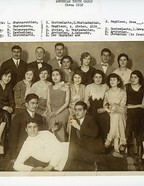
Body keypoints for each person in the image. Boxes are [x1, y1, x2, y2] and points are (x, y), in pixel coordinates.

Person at [64, 101, 127, 171]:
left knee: (96, 160)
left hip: (93, 147)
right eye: (75, 110)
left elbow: (94, 133)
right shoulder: (74, 119)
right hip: (82, 147)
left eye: (79, 110)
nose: (77, 112)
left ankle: (122, 163)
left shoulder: (90, 119)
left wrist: (78, 127)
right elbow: (73, 137)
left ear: (85, 111)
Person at [9, 93, 46, 160]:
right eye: (32, 103)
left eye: (36, 103)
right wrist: (13, 157)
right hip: (22, 150)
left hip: (36, 150)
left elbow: (41, 134)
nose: (35, 105)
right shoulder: (18, 117)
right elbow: (13, 138)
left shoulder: (39, 117)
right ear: (26, 104)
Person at [103, 73, 127, 156]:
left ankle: (109, 138)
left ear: (118, 81)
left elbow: (122, 105)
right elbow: (105, 104)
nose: (112, 81)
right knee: (116, 117)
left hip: (121, 111)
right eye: (111, 80)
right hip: (111, 112)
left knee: (117, 116)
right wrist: (108, 108)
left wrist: (115, 107)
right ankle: (119, 145)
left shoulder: (123, 92)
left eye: (114, 80)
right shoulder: (107, 93)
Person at [85, 69, 110, 141]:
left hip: (102, 109)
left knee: (106, 118)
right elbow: (86, 101)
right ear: (93, 78)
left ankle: (104, 140)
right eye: (96, 77)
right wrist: (86, 110)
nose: (98, 79)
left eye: (100, 77)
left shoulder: (105, 86)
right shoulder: (89, 87)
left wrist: (104, 109)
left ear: (102, 78)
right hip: (91, 109)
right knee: (91, 119)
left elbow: (107, 101)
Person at [45, 69, 70, 142]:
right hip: (51, 110)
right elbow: (48, 102)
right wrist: (50, 111)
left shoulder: (66, 87)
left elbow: (66, 103)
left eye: (57, 75)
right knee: (51, 121)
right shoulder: (49, 87)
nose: (55, 77)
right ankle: (51, 145)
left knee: (59, 123)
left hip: (62, 110)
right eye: (53, 75)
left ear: (61, 77)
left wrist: (56, 112)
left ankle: (61, 144)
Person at [125, 70, 144, 157]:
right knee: (130, 117)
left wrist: (130, 106)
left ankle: (138, 146)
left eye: (135, 77)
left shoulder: (143, 88)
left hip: (139, 111)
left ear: (139, 78)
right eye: (131, 77)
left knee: (137, 118)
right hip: (128, 111)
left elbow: (143, 105)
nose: (133, 79)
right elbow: (123, 101)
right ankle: (127, 145)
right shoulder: (126, 87)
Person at [0, 68, 14, 155]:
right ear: (1, 76)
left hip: (5, 110)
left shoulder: (9, 87)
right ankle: (1, 148)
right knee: (4, 115)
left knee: (5, 115)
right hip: (1, 108)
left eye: (9, 76)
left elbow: (11, 101)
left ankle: (1, 148)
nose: (7, 78)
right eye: (5, 76)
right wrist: (3, 106)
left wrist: (11, 108)